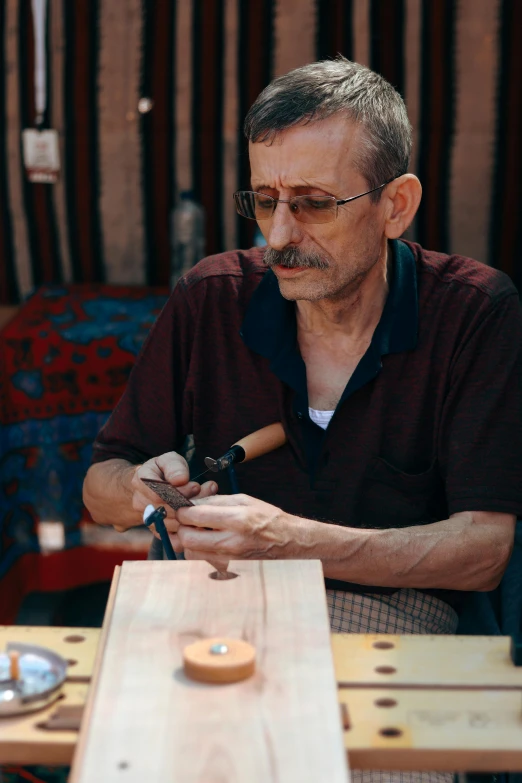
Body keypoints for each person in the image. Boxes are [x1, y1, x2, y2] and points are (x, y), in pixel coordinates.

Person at [84, 57, 522, 780]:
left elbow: (485, 549)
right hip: (212, 614)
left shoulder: (474, 313)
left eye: (314, 203)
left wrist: (292, 542)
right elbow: (98, 484)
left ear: (397, 204)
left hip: (401, 625)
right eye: (263, 200)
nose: (280, 233)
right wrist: (140, 484)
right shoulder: (210, 298)